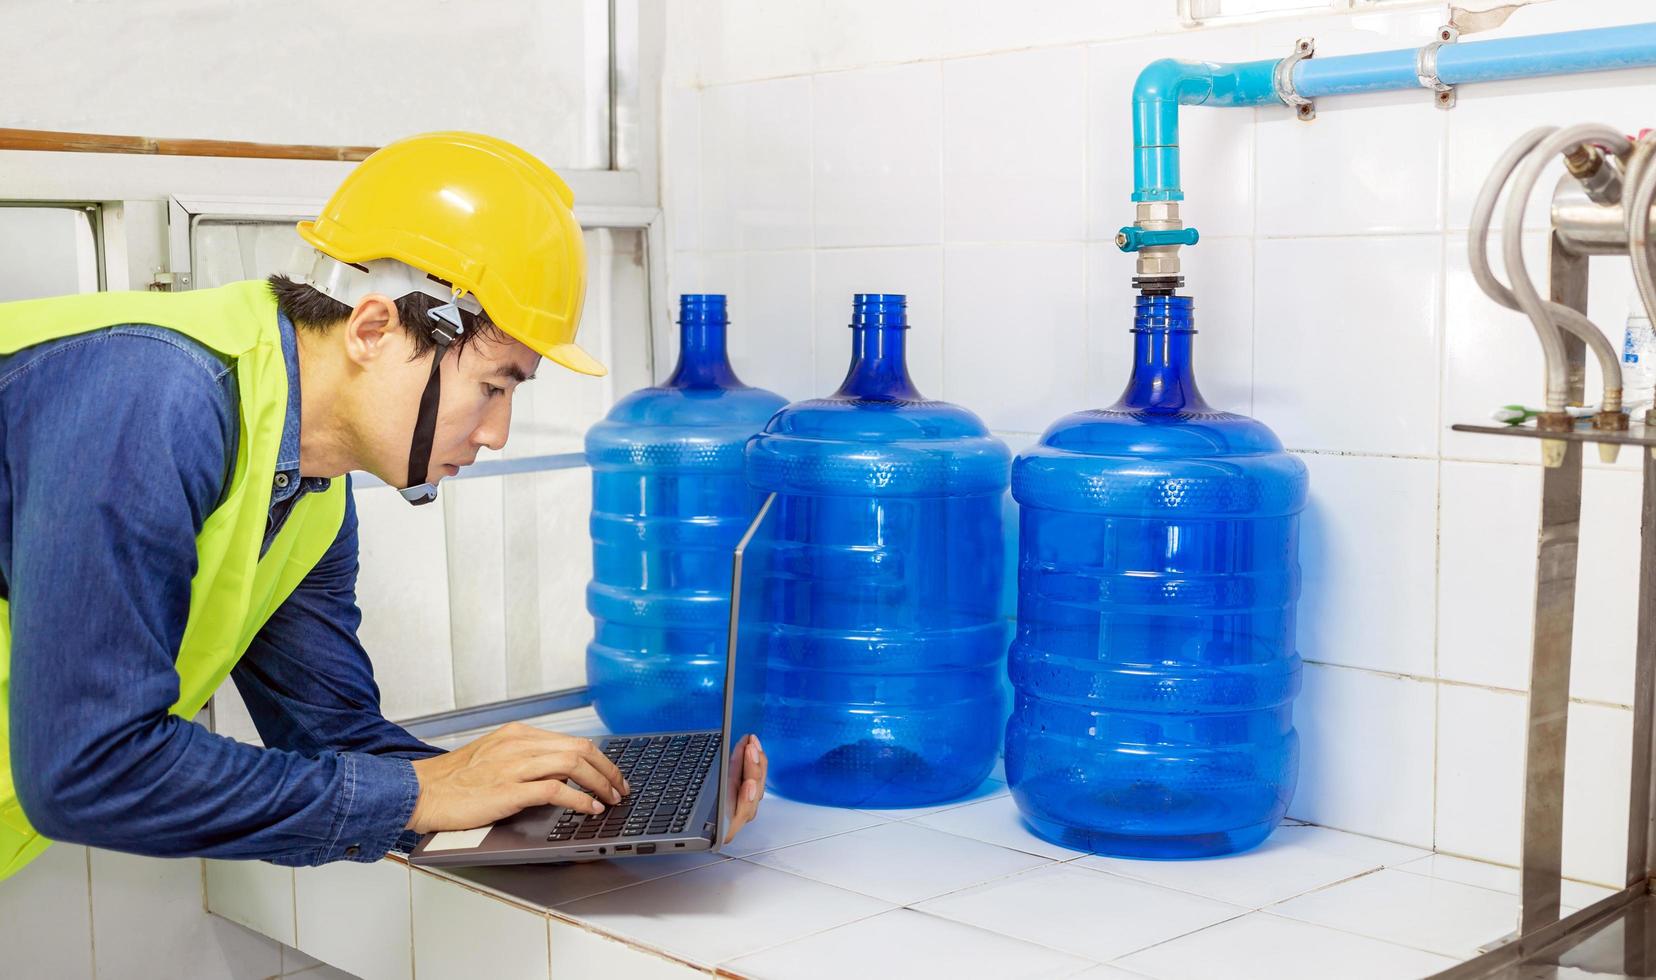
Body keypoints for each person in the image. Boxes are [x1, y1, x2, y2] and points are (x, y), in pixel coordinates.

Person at [0, 131, 766, 879]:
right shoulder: (154, 399)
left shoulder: (309, 489)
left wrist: (579, 816)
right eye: (493, 385)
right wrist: (427, 788)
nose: (497, 433)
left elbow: (337, 742)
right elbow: (88, 766)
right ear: (373, 328)